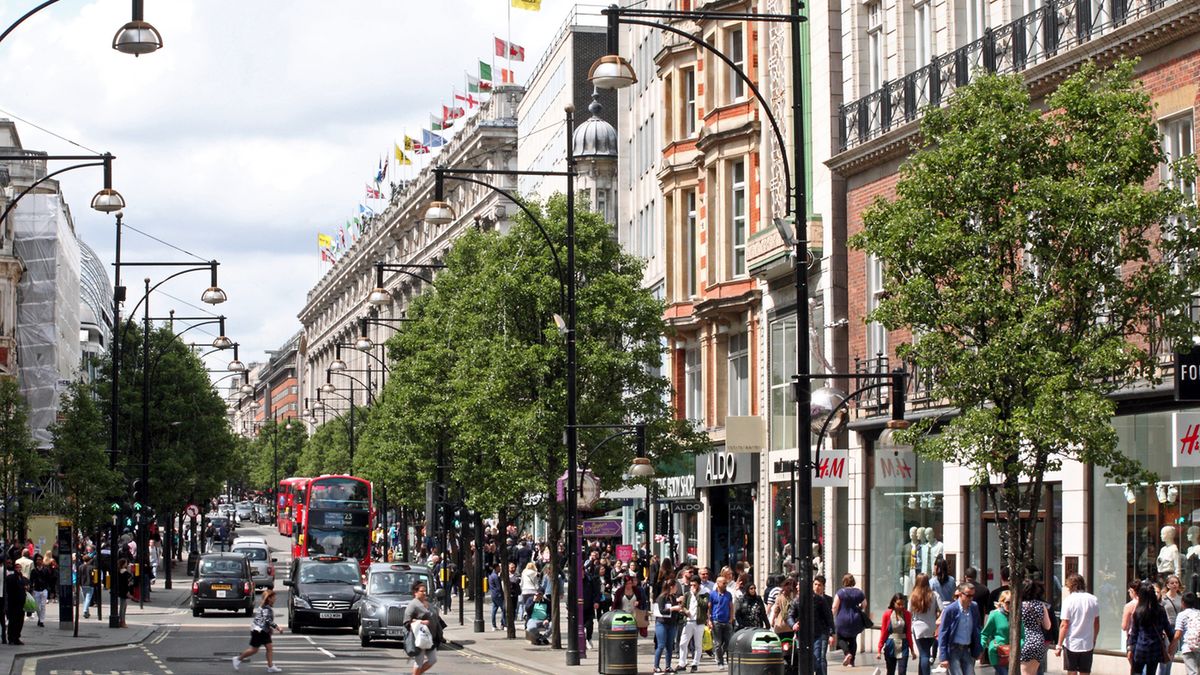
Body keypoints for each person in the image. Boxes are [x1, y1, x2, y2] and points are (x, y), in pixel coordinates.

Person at [791, 574, 836, 675]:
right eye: (815, 584)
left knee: (820, 658)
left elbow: (829, 617)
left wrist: (832, 633)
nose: (817, 587)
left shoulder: (822, 600)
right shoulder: (797, 600)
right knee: (808, 660)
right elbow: (790, 615)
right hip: (804, 635)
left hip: (820, 633)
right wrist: (793, 625)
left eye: (819, 585)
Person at [1057, 573, 1100, 675]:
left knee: (1071, 671)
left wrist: (1059, 645)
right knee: (1085, 671)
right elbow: (1097, 622)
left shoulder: (1068, 600)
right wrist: (1094, 639)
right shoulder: (1093, 599)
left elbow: (1064, 624)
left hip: (1071, 642)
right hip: (1087, 642)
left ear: (1071, 586)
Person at [937, 582, 983, 675]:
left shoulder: (974, 607)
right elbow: (943, 633)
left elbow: (977, 629)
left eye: (972, 595)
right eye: (968, 595)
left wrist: (979, 649)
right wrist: (943, 657)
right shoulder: (950, 610)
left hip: (967, 649)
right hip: (953, 649)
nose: (971, 598)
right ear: (960, 594)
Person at [232, 589, 283, 672]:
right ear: (269, 598)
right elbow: (267, 620)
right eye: (273, 597)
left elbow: (263, 620)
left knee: (269, 648)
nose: (275, 598)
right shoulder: (266, 608)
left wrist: (269, 629)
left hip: (261, 630)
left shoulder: (265, 607)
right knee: (254, 650)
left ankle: (270, 666)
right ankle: (238, 659)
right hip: (259, 631)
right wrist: (277, 627)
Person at [1128, 581, 1172, 675]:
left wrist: (1130, 648)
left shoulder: (1138, 611)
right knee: (1151, 672)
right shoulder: (1160, 610)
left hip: (1141, 648)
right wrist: (1173, 643)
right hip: (1155, 649)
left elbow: (1134, 633)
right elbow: (1167, 628)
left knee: (1137, 672)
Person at [404, 581, 441, 675]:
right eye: (422, 591)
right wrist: (421, 622)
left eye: (425, 591)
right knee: (419, 662)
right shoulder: (413, 605)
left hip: (430, 637)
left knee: (432, 660)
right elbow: (407, 621)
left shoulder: (427, 603)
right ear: (415, 592)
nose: (424, 593)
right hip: (420, 637)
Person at [831, 573, 868, 667]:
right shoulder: (859, 592)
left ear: (844, 582)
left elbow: (835, 607)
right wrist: (859, 607)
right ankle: (852, 662)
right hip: (855, 618)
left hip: (842, 619)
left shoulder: (840, 592)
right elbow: (864, 604)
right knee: (853, 638)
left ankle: (847, 653)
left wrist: (831, 617)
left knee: (840, 638)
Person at [1020, 579, 1052, 675]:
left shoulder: (1019, 606)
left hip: (1024, 640)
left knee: (1024, 672)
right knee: (1033, 672)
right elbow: (1048, 626)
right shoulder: (1041, 605)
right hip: (1038, 641)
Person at [911, 573, 941, 675]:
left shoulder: (913, 596)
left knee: (924, 654)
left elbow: (908, 612)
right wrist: (938, 619)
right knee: (925, 652)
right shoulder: (934, 595)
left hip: (918, 628)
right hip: (931, 627)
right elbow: (944, 609)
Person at [878, 593, 914, 675]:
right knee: (890, 671)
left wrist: (912, 649)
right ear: (893, 603)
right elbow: (884, 632)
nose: (901, 606)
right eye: (899, 604)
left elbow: (908, 632)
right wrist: (879, 649)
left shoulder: (907, 614)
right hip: (890, 645)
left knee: (902, 671)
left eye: (903, 604)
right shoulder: (887, 614)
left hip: (904, 645)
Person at [981, 590, 1014, 675]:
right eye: (1008, 602)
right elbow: (985, 633)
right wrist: (981, 648)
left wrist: (1020, 648)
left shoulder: (1017, 615)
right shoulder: (995, 615)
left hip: (1014, 653)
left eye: (1012, 602)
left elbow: (1022, 636)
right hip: (998, 653)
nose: (1010, 605)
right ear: (1001, 602)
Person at [679, 576, 707, 673]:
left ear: (699, 585)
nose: (692, 587)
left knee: (698, 644)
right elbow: (682, 606)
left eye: (694, 585)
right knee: (683, 643)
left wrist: (696, 595)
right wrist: (685, 611)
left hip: (699, 622)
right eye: (691, 585)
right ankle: (682, 663)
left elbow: (704, 605)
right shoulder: (687, 594)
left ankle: (695, 663)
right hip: (689, 621)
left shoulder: (704, 594)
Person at [653, 579, 681, 674]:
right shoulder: (662, 597)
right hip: (662, 623)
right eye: (676, 586)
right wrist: (673, 608)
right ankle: (656, 666)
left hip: (672, 623)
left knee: (670, 646)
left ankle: (668, 666)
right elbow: (662, 611)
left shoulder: (673, 597)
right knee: (661, 645)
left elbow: (676, 609)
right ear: (671, 587)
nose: (677, 588)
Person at [707, 574, 735, 667]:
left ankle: (722, 656)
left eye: (726, 583)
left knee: (728, 642)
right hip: (716, 621)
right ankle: (720, 661)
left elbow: (731, 607)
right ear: (718, 583)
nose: (725, 585)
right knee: (718, 643)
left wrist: (731, 618)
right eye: (723, 583)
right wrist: (709, 620)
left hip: (727, 621)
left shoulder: (728, 594)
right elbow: (709, 608)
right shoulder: (712, 594)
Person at [1171, 592, 1200, 675]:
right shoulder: (1199, 613)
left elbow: (1178, 634)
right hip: (1199, 646)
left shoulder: (1182, 615)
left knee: (1192, 672)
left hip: (1188, 647)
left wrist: (1171, 647)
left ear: (1183, 602)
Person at [1164, 576, 1185, 675]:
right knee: (1166, 654)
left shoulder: (1181, 598)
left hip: (1177, 628)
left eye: (1176, 582)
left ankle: (1167, 672)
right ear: (1167, 585)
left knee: (1172, 653)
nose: (1175, 584)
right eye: (1172, 583)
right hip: (1166, 628)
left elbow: (1183, 613)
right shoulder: (1163, 598)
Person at [4, 560, 26, 645]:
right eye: (17, 567)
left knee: (20, 621)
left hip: (21, 603)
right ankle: (11, 638)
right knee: (13, 621)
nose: (19, 569)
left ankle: (16, 637)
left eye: (20, 567)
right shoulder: (11, 577)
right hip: (13, 603)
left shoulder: (21, 577)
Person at [30, 555, 51, 627]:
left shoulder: (46, 570)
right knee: (37, 607)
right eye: (37, 560)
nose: (38, 561)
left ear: (42, 561)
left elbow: (49, 580)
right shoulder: (33, 571)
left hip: (44, 589)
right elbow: (31, 580)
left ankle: (41, 621)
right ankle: (40, 618)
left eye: (40, 560)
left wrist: (49, 590)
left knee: (43, 606)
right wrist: (31, 589)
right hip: (36, 590)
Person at [487, 563, 505, 631]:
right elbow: (499, 587)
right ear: (496, 567)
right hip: (498, 595)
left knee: (494, 610)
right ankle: (503, 623)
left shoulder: (491, 576)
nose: (500, 568)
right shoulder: (496, 577)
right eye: (499, 567)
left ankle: (494, 625)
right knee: (504, 609)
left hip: (493, 594)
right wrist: (502, 594)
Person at [117, 558, 133, 628]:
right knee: (123, 607)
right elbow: (128, 582)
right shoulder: (125, 573)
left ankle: (121, 621)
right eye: (126, 563)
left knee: (123, 606)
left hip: (120, 590)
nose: (127, 564)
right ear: (123, 564)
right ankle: (122, 621)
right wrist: (128, 592)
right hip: (124, 591)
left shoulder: (118, 571)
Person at [79, 554, 95, 620]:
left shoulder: (80, 567)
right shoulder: (92, 567)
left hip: (82, 584)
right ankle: (85, 610)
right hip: (90, 584)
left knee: (85, 599)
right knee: (88, 599)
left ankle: (87, 613)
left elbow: (79, 576)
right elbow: (94, 576)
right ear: (90, 560)